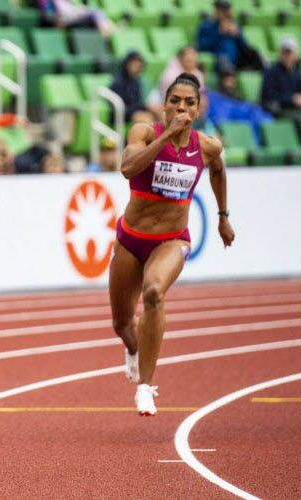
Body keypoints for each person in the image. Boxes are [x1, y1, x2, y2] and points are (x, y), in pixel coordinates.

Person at [109, 73, 234, 416]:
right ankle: (134, 348)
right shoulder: (144, 132)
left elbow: (218, 171)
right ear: (164, 105)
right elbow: (127, 168)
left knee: (153, 293)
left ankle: (145, 386)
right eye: (175, 100)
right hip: (131, 238)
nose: (181, 107)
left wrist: (223, 216)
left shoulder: (207, 146)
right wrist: (167, 134)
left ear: (198, 108)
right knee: (121, 324)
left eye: (189, 102)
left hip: (172, 239)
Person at [196, 0, 262, 73]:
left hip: (238, 57)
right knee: (224, 56)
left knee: (255, 53)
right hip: (221, 57)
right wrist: (219, 33)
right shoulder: (206, 25)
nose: (224, 13)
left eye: (226, 10)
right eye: (222, 10)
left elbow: (245, 46)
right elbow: (201, 46)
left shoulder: (234, 24)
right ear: (215, 10)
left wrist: (237, 35)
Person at [260, 38, 301, 119]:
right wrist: (292, 99)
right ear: (279, 53)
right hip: (278, 110)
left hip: (293, 109)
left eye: (289, 52)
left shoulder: (297, 72)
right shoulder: (271, 71)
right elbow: (268, 96)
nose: (286, 56)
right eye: (284, 52)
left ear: (295, 54)